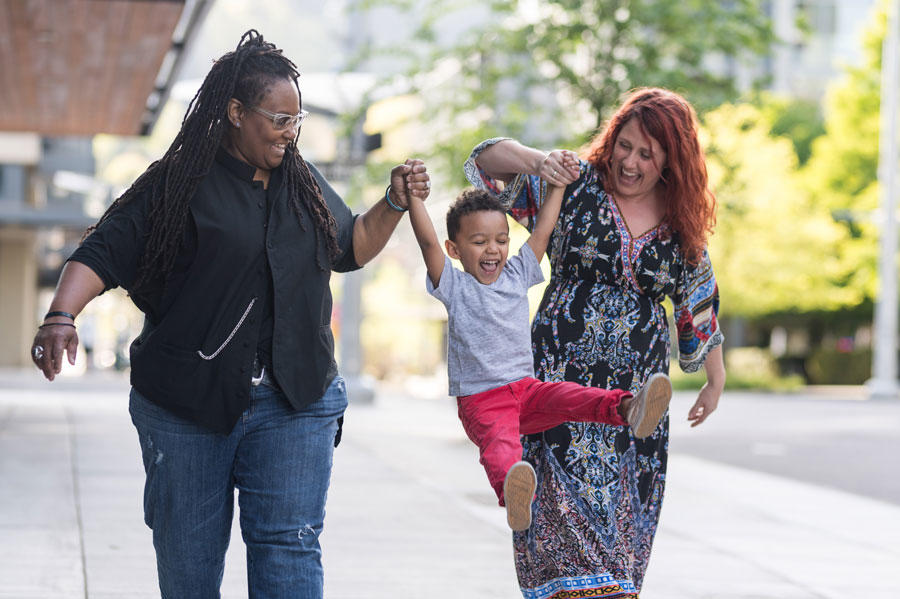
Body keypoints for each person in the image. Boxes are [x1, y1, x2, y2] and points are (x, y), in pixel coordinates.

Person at [29, 30, 429, 599]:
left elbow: (352, 247)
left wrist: (392, 203)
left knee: (289, 552)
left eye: (296, 119)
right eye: (279, 119)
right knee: (189, 569)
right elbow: (102, 252)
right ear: (236, 113)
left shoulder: (303, 183)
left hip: (295, 400)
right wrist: (61, 317)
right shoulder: (177, 182)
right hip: (187, 404)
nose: (291, 131)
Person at [465, 87, 726, 597]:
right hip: (558, 384)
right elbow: (485, 161)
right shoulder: (575, 186)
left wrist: (715, 380)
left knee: (617, 543)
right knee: (560, 524)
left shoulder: (681, 222)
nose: (629, 162)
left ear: (671, 161)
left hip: (637, 406)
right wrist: (542, 163)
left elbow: (700, 303)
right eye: (624, 145)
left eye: (647, 154)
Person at [407, 181, 673, 532]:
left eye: (501, 240)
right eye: (479, 242)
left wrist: (557, 187)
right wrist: (413, 198)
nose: (493, 249)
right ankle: (515, 496)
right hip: (483, 401)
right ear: (454, 250)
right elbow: (427, 243)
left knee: (570, 395)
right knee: (500, 446)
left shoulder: (517, 274)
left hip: (527, 390)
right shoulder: (454, 286)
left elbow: (543, 233)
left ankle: (629, 408)